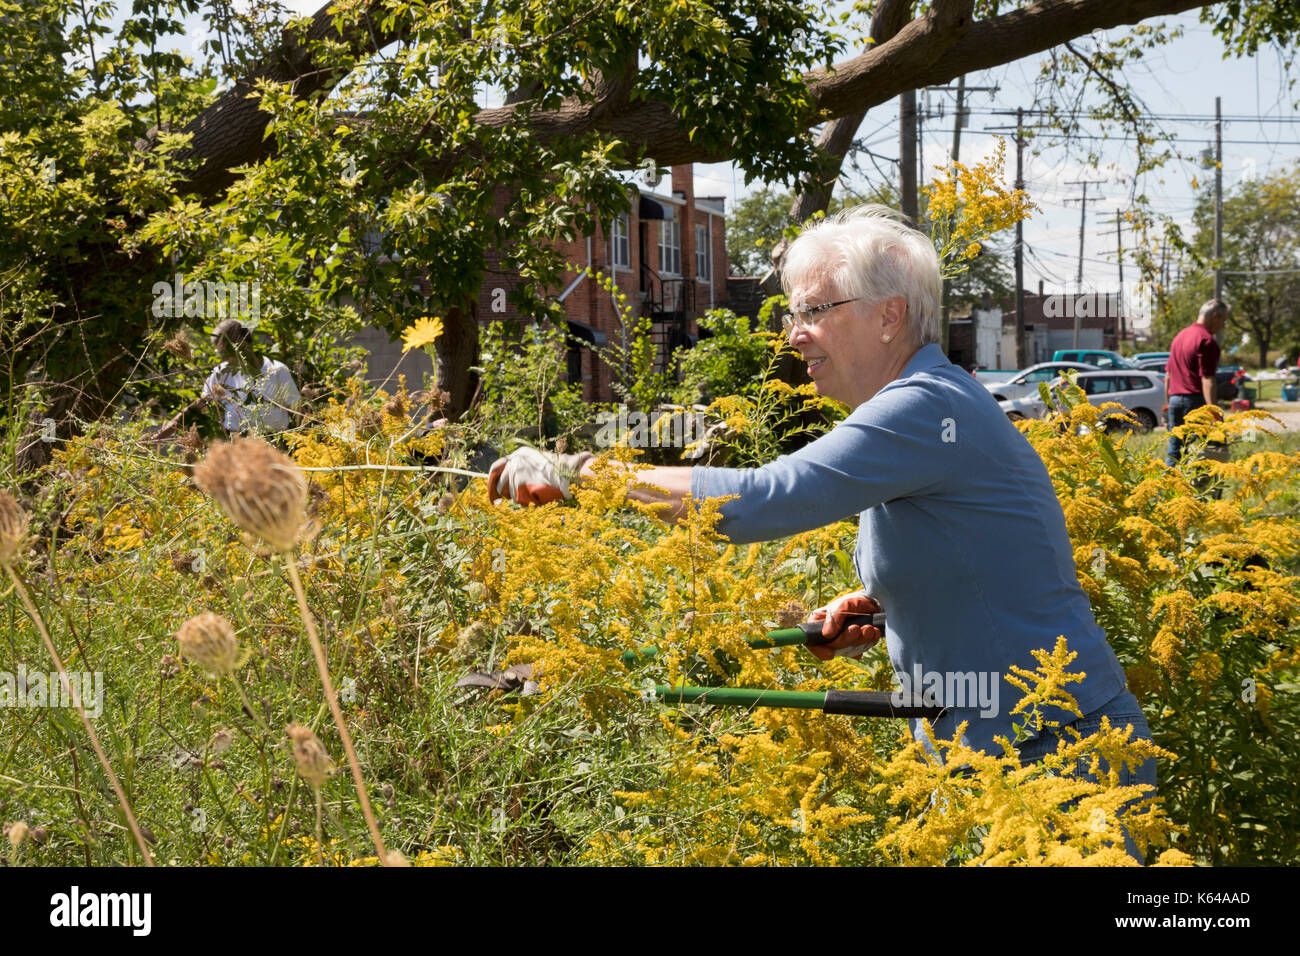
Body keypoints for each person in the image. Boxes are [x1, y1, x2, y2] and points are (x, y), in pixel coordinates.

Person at [487, 205, 1156, 861]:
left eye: (814, 312)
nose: (793, 334)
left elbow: (761, 499)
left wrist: (579, 472)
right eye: (792, 314)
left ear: (888, 315)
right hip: (986, 758)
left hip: (1058, 761)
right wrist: (885, 606)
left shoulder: (925, 406)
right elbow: (976, 556)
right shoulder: (922, 402)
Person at [200, 319, 301, 436]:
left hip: (274, 441)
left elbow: (296, 409)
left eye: (227, 352)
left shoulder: (276, 370)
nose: (224, 359)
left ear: (242, 344)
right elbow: (204, 402)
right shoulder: (221, 372)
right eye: (221, 353)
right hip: (237, 442)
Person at [1163, 300, 1227, 468]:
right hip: (1195, 403)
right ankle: (1197, 491)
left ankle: (1164, 491)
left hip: (1175, 400)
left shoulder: (1179, 336)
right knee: (1203, 453)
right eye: (1223, 320)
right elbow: (1207, 379)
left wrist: (1168, 405)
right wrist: (1215, 413)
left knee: (1174, 452)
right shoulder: (1207, 341)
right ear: (1214, 316)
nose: (1223, 326)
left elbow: (1168, 376)